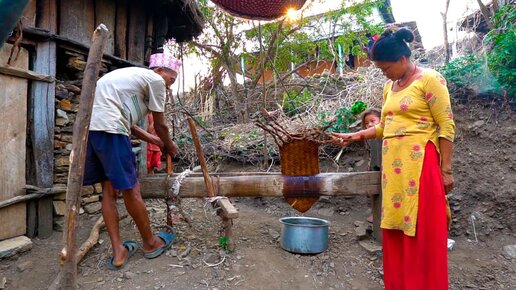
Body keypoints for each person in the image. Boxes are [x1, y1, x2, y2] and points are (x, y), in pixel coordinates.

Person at [331, 27, 455, 290]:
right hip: (395, 172)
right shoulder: (389, 87)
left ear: (402, 59)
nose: (383, 73)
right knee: (396, 229)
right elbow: (385, 127)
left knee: (422, 231)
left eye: (385, 67)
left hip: (421, 166)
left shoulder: (431, 80)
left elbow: (446, 126)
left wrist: (446, 170)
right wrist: (356, 136)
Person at [83, 53, 182, 270]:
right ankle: (150, 243)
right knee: (131, 189)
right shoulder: (154, 80)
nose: (169, 86)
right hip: (112, 131)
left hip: (93, 131)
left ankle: (119, 250)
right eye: (171, 80)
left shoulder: (126, 78)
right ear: (159, 71)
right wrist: (170, 145)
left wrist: (153, 139)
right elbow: (161, 124)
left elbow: (131, 125)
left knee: (108, 191)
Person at [360, 108, 382, 223]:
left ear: (381, 120)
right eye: (366, 123)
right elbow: (369, 153)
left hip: (385, 167)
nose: (369, 125)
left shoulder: (384, 136)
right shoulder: (369, 138)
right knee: (373, 193)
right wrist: (369, 166)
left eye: (372, 121)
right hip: (374, 166)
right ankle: (375, 213)